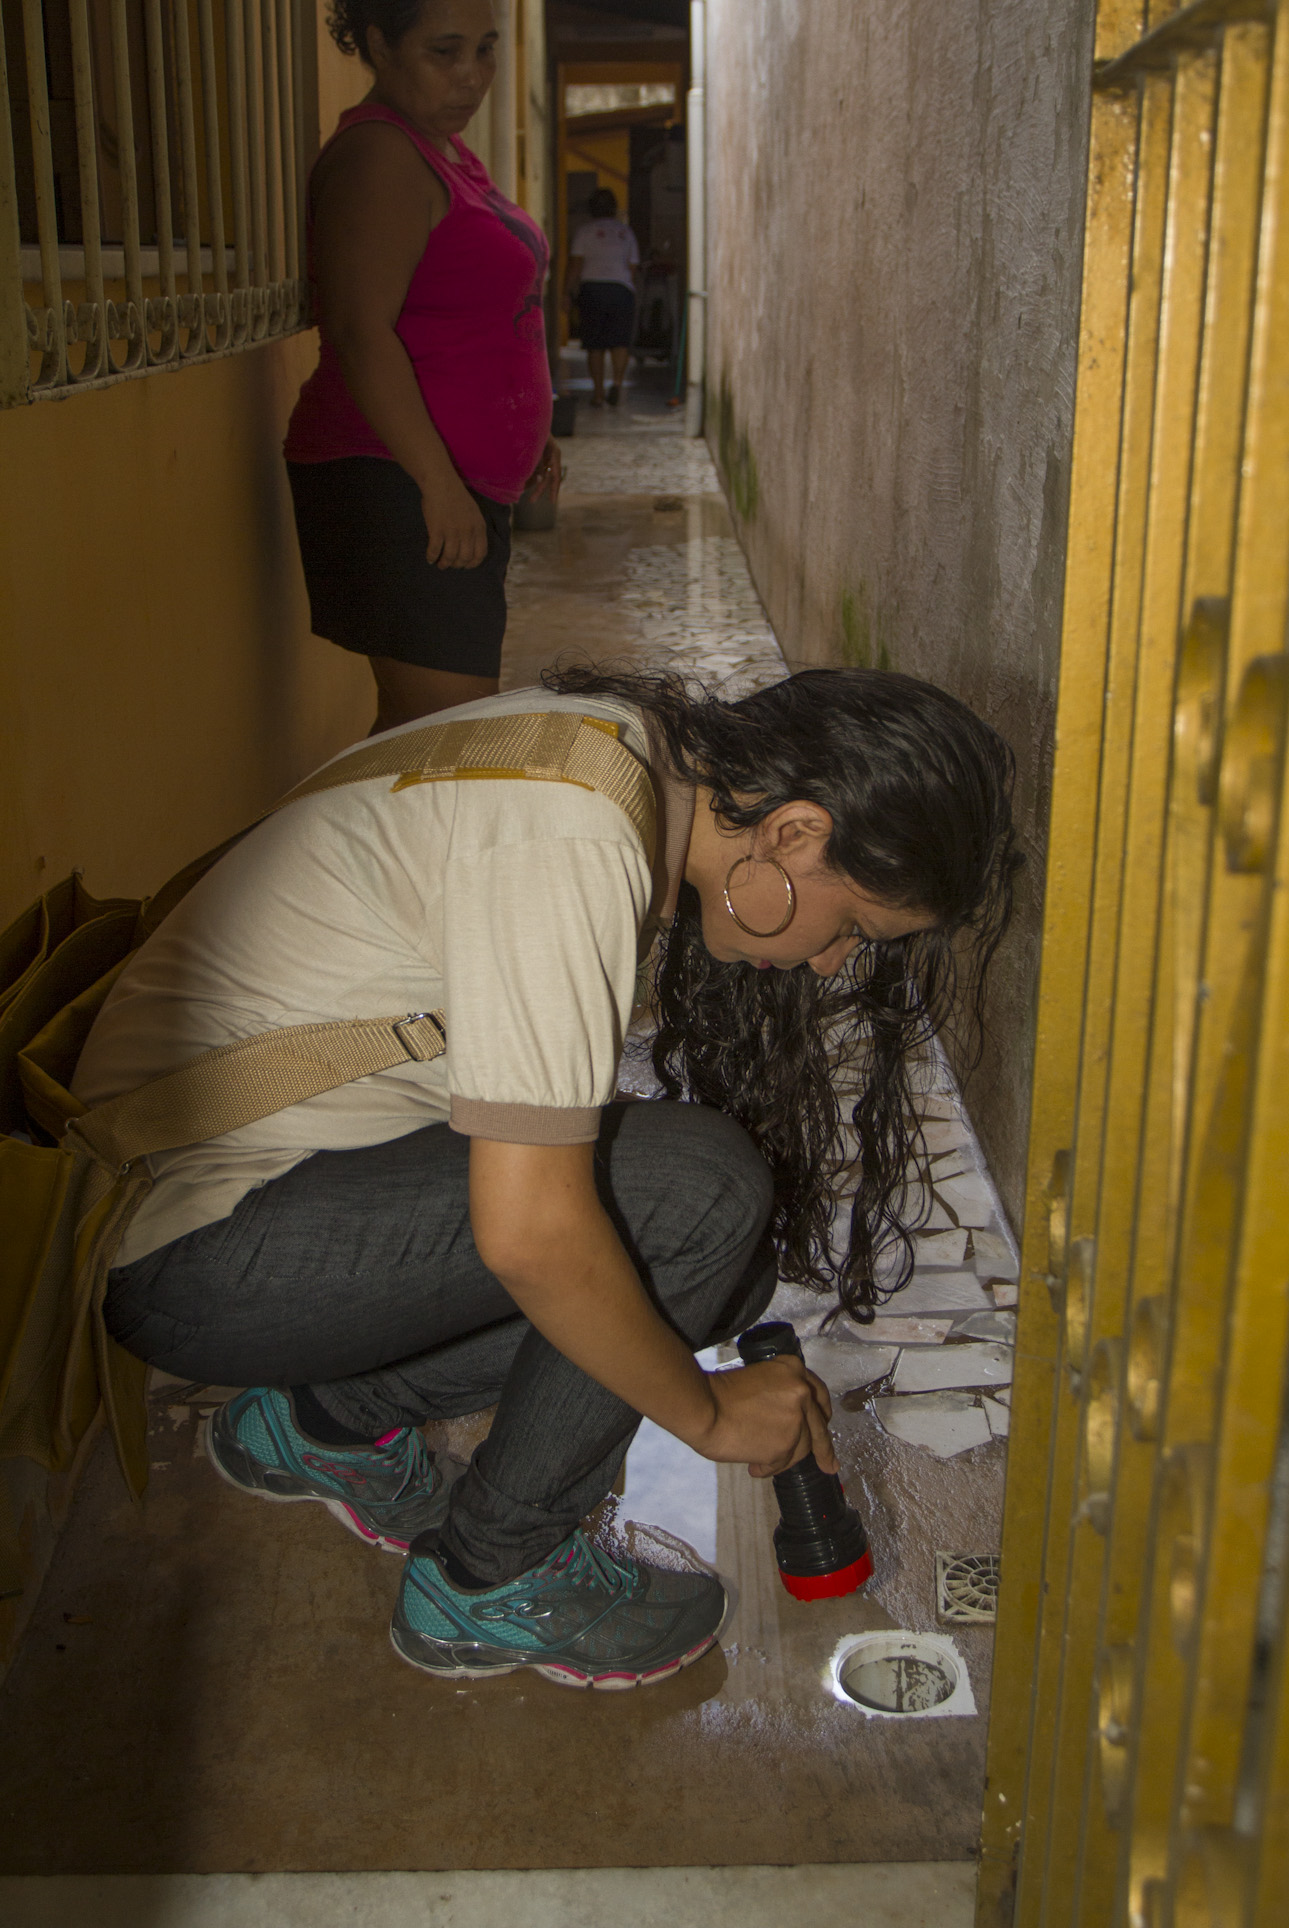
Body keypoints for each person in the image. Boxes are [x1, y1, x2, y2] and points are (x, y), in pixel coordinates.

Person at [81, 666, 1018, 1691]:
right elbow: (530, 1235)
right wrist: (706, 1415)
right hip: (184, 1247)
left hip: (223, 1179)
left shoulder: (622, 755)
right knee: (699, 1197)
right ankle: (495, 1574)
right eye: (854, 929)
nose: (837, 964)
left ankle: (326, 1420)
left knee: (719, 1265)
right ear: (793, 835)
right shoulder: (570, 842)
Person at [284, 0, 560, 735]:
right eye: (445, 51)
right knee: (442, 736)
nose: (472, 75)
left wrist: (526, 426)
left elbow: (472, 313)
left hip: (437, 481)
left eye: (485, 48)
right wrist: (439, 486)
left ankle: (338, 865)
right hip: (396, 481)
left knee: (414, 737)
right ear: (379, 44)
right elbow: (361, 333)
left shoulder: (442, 152)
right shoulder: (379, 157)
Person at [567, 188, 640, 408]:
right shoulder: (626, 232)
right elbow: (633, 266)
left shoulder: (585, 232)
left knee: (594, 345)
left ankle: (598, 394)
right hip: (621, 290)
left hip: (593, 290)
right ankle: (617, 383)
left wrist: (567, 293)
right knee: (620, 342)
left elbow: (576, 266)